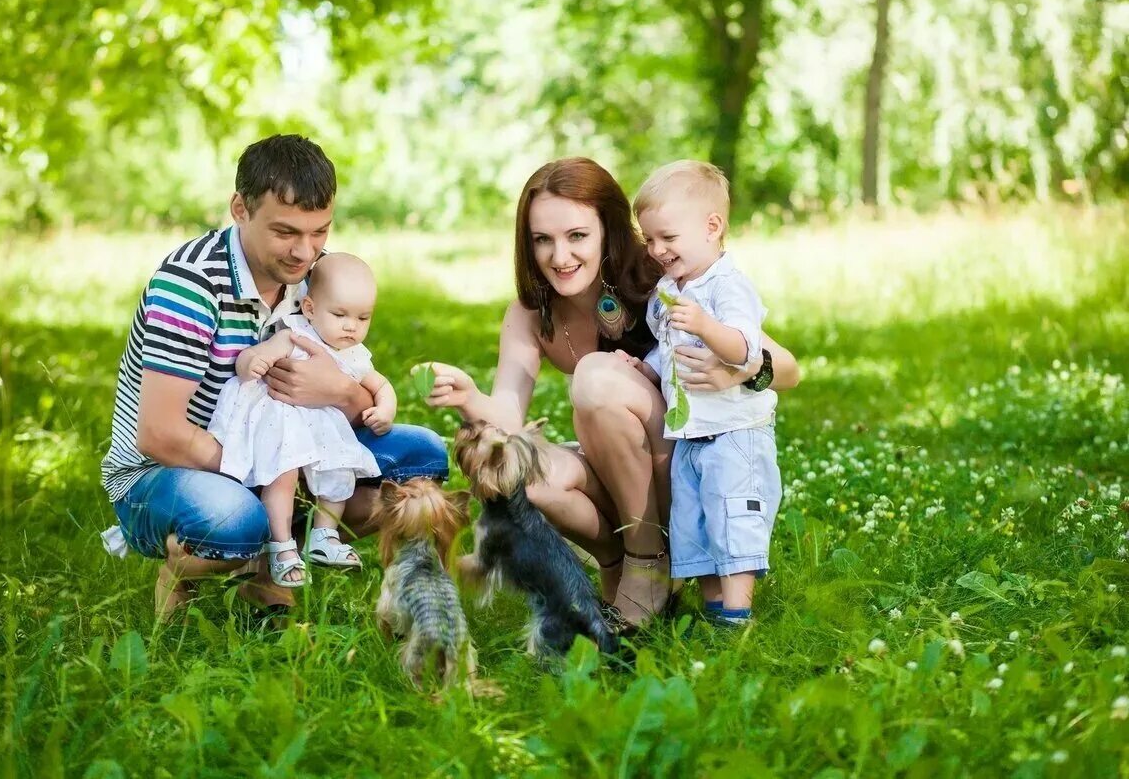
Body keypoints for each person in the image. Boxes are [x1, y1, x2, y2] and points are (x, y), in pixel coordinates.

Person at [423, 157, 799, 630]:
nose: (560, 256)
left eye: (577, 236)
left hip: (685, 470)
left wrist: (733, 373)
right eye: (543, 240)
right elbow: (508, 415)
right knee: (522, 473)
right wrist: (469, 397)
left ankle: (650, 563)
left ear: (607, 228)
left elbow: (787, 368)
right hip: (624, 468)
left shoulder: (661, 275)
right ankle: (620, 565)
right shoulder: (529, 313)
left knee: (595, 376)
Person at [98, 134, 448, 618]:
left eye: (320, 232)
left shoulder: (315, 277)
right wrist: (264, 470)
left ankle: (264, 581)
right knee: (235, 520)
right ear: (240, 209)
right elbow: (160, 435)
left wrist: (341, 390)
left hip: (285, 447)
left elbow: (348, 399)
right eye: (286, 232)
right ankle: (195, 564)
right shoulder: (191, 285)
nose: (305, 252)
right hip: (166, 471)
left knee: (422, 460)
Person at [630, 160, 782, 626]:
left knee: (734, 521)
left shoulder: (726, 285)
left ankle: (737, 618)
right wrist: (646, 367)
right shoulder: (669, 289)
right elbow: (671, 350)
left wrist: (706, 325)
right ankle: (715, 610)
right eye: (649, 238)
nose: (656, 249)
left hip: (736, 433)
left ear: (712, 226)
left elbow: (745, 346)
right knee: (696, 526)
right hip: (692, 435)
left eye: (667, 238)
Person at [207, 253, 395, 586]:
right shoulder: (295, 334)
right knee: (283, 475)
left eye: (363, 318)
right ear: (309, 309)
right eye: (340, 315)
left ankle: (324, 535)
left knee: (340, 472)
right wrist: (251, 362)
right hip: (282, 425)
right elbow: (254, 355)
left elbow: (381, 385)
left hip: (323, 430)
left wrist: (385, 409)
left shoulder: (355, 354)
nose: (351, 327)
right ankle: (281, 544)